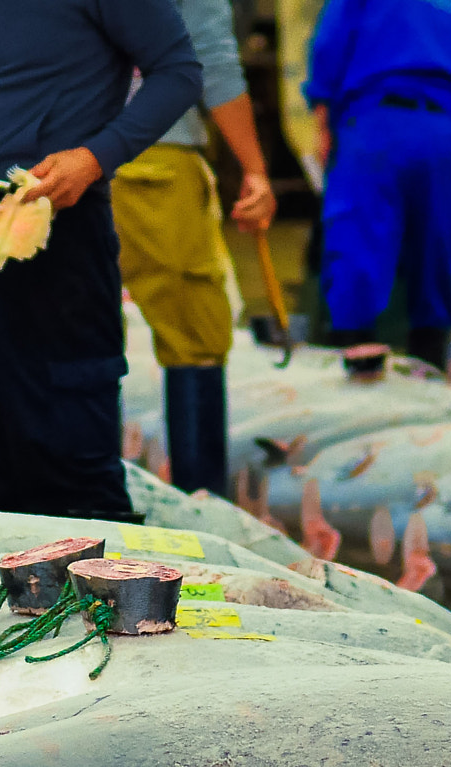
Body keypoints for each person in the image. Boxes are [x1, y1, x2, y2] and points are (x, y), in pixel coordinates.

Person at [0, 0, 201, 518]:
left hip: (55, 229)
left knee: (66, 442)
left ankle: (104, 583)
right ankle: (29, 577)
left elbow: (178, 72)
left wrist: (95, 157)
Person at [111, 0, 276, 497]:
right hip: (151, 156)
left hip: (52, 156)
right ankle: (198, 509)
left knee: (84, 332)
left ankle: (88, 517)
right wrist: (256, 171)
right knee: (194, 334)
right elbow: (213, 62)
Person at [303, 0, 451, 373]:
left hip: (374, 129)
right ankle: (429, 372)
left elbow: (328, 49)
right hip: (446, 136)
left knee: (357, 254)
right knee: (436, 263)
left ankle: (355, 372)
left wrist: (322, 122)